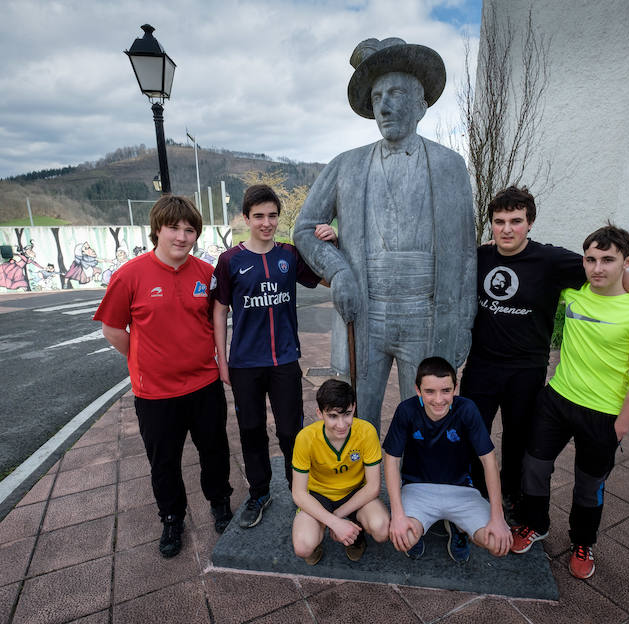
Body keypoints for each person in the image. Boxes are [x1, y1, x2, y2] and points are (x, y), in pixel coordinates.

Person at [461, 186, 629, 520]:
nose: (507, 229)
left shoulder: (551, 260)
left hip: (526, 369)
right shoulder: (481, 256)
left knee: (518, 440)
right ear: (491, 223)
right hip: (482, 366)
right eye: (499, 221)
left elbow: (610, 272)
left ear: (530, 223)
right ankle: (474, 491)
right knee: (472, 431)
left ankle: (512, 495)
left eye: (516, 221)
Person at [295, 37, 477, 431]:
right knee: (360, 410)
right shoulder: (347, 166)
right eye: (378, 96)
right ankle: (365, 477)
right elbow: (304, 228)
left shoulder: (449, 166)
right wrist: (338, 269)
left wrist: (463, 323)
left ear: (421, 105)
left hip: (425, 314)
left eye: (396, 93)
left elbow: (465, 254)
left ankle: (414, 478)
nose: (385, 105)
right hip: (366, 311)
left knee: (426, 413)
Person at [510, 224, 629, 579]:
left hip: (604, 414)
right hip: (558, 398)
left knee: (588, 484)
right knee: (534, 467)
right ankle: (535, 524)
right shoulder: (574, 291)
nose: (598, 268)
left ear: (627, 262)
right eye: (591, 259)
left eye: (608, 260)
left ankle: (582, 541)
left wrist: (622, 424)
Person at [93, 195, 233, 558]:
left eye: (190, 230)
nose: (182, 237)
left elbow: (212, 321)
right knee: (164, 461)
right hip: (155, 393)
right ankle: (172, 518)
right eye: (174, 228)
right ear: (157, 229)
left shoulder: (205, 274)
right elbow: (112, 328)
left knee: (215, 452)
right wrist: (144, 359)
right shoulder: (130, 275)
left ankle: (220, 503)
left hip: (204, 385)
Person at [211, 184, 324, 529]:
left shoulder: (289, 255)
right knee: (250, 429)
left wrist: (328, 241)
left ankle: (298, 490)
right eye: (258, 216)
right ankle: (259, 492)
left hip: (285, 361)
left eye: (272, 215)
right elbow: (219, 309)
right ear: (245, 218)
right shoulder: (231, 260)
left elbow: (326, 279)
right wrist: (221, 359)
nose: (266, 222)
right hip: (245, 363)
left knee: (291, 430)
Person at [383, 357, 513, 563]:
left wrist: (498, 517)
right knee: (404, 537)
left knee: (496, 543)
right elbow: (391, 460)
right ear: (418, 390)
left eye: (446, 390)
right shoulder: (406, 410)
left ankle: (459, 526)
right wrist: (398, 515)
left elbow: (489, 461)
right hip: (418, 488)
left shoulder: (467, 409)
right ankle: (419, 530)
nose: (438, 399)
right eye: (429, 391)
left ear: (455, 388)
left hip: (461, 489)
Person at [291, 379, 389, 565]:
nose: (342, 424)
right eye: (333, 416)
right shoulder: (306, 438)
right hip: (319, 495)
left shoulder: (366, 431)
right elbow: (299, 493)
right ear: (320, 413)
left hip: (355, 492)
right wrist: (334, 523)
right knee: (303, 547)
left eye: (347, 414)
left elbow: (374, 487)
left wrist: (336, 518)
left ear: (354, 407)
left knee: (381, 529)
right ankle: (318, 535)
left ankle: (355, 532)